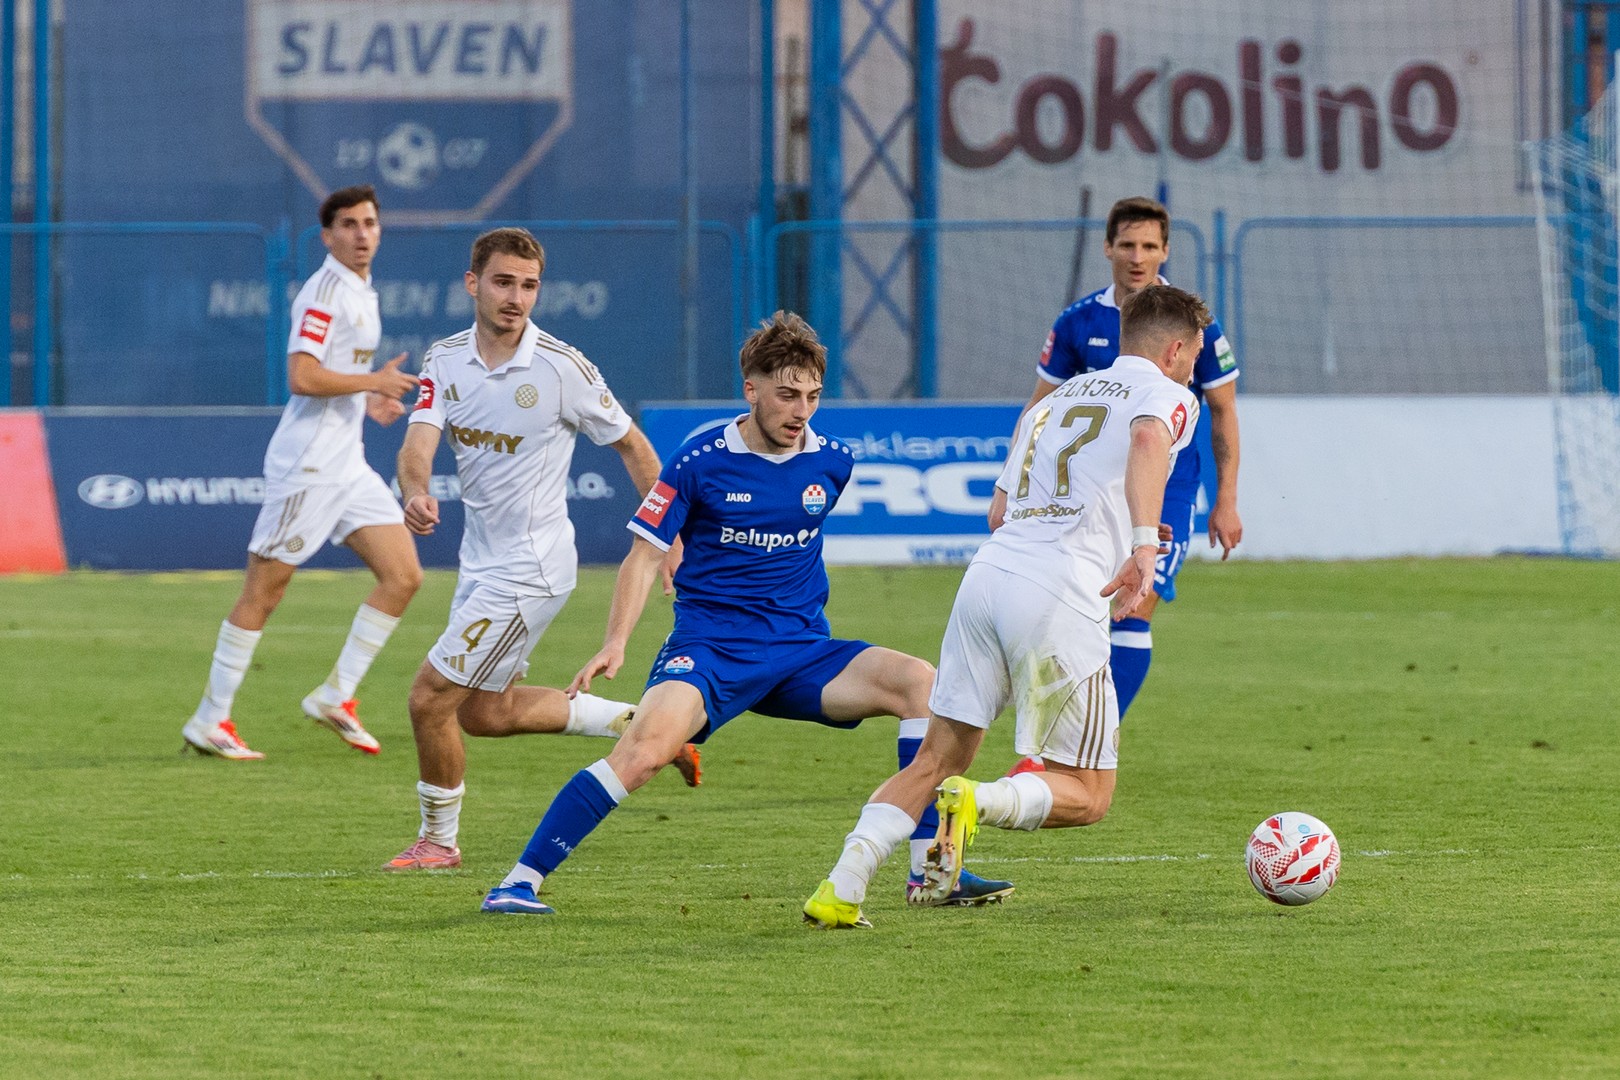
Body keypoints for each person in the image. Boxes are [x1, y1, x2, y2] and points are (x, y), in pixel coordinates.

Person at [477, 311, 1013, 914]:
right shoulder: (699, 460)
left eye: (812, 396)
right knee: (645, 752)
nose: (801, 411)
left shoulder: (833, 461)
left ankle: (928, 872)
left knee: (921, 684)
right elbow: (643, 556)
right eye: (786, 395)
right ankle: (518, 881)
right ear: (751, 389)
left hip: (802, 653)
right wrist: (615, 641)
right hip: (712, 650)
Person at [803, 285, 1206, 928]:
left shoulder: (1055, 400)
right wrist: (1141, 545)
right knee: (1088, 794)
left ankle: (841, 886)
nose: (1193, 367)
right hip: (1059, 591)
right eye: (1195, 355)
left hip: (988, 578)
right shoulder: (1169, 395)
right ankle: (977, 802)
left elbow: (999, 510)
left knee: (935, 758)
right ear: (1176, 349)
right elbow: (1148, 441)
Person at [384, 227, 700, 871]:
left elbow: (634, 446)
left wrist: (669, 535)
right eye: (503, 282)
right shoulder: (444, 359)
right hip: (481, 565)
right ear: (473, 284)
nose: (516, 298)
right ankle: (641, 724)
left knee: (429, 698)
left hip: (531, 569)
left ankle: (438, 843)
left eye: (528, 286)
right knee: (485, 713)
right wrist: (415, 492)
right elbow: (417, 445)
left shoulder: (563, 368)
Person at [1002, 197, 1241, 776]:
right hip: (1090, 497)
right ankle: (1055, 744)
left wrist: (1226, 499)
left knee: (1132, 608)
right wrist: (1010, 486)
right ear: (1107, 248)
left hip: (1168, 492)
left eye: (1150, 246)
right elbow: (1038, 410)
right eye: (1127, 245)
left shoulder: (1192, 323)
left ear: (1166, 251)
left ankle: (1075, 749)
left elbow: (1223, 411)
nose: (1138, 257)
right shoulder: (1077, 322)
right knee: (1075, 612)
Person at [181, 185, 421, 760]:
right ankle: (210, 720)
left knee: (404, 576)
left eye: (369, 223)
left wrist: (368, 400)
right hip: (309, 464)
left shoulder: (362, 290)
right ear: (328, 236)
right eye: (349, 224)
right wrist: (373, 381)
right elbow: (302, 376)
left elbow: (334, 376)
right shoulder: (324, 293)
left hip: (347, 462)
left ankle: (336, 695)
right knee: (264, 591)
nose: (362, 234)